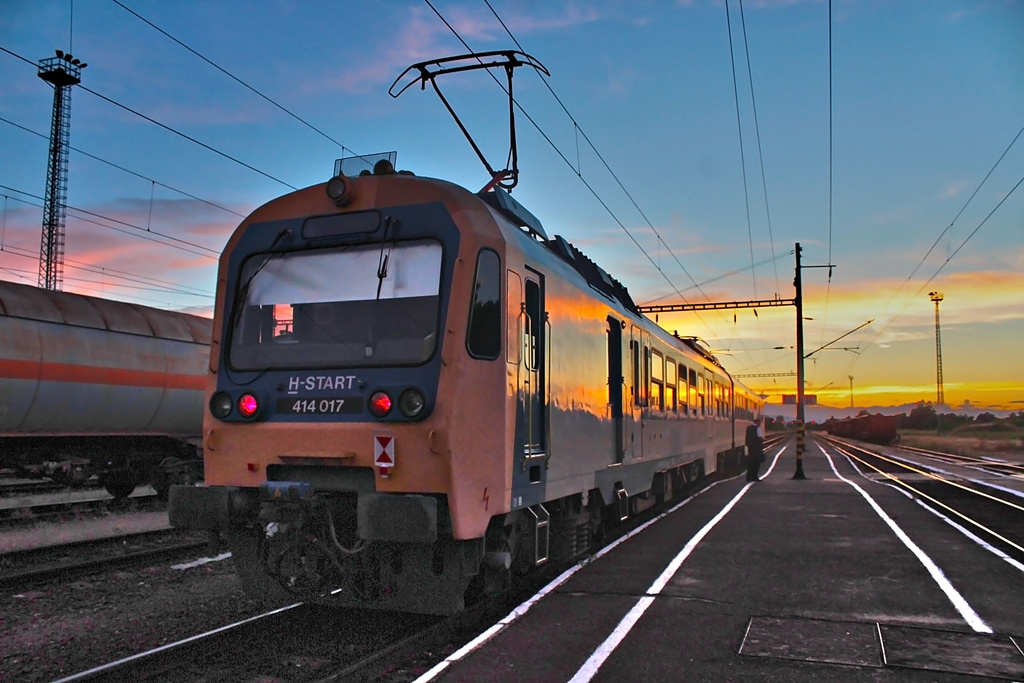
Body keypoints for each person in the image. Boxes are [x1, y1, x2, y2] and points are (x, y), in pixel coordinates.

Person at [745, 417, 765, 482]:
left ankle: (748, 477)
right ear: (757, 422)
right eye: (759, 423)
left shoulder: (748, 428)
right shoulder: (757, 429)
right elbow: (760, 437)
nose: (760, 424)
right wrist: (763, 439)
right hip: (757, 449)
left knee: (750, 463)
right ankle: (754, 477)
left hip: (750, 449)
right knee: (756, 464)